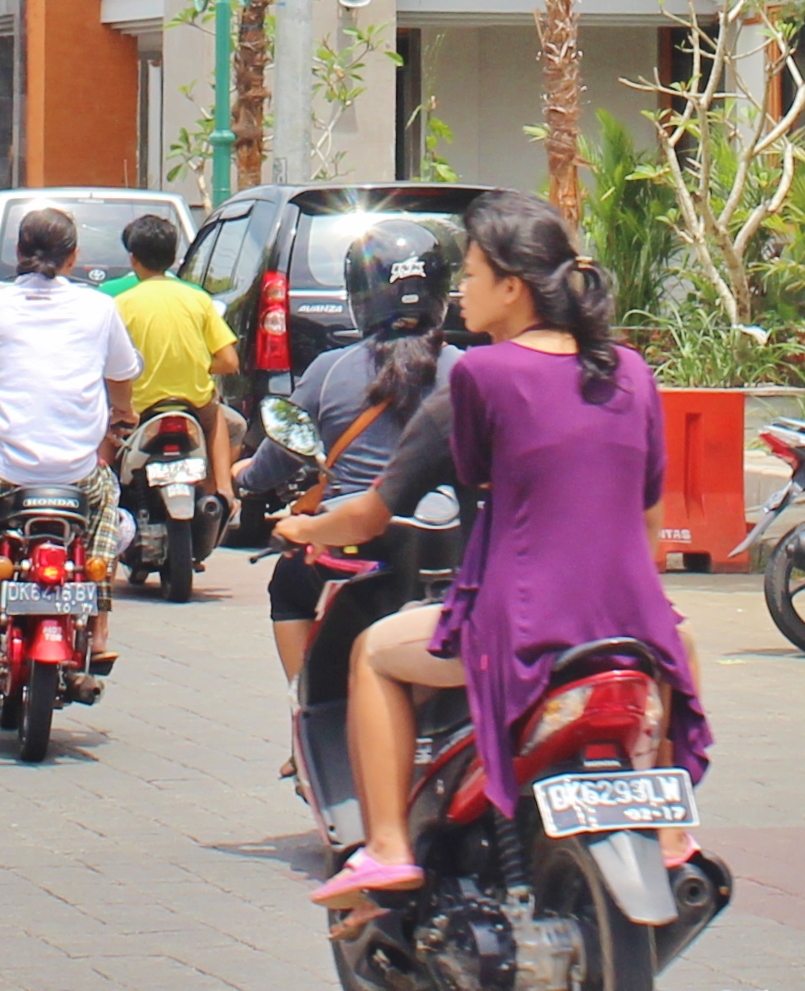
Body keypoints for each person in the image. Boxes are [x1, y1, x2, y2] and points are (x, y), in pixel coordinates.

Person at [276, 192, 704, 903]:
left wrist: (304, 529)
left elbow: (380, 510)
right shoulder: (632, 372)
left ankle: (385, 847)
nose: (462, 294)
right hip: (639, 628)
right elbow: (648, 521)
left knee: (373, 655)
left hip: (518, 626)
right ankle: (668, 833)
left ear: (511, 286)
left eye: (471, 276)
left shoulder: (482, 375)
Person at [0, 205, 138, 651]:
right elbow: (120, 377)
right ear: (73, 256)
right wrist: (124, 412)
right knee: (117, 525)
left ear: (18, 252)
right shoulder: (99, 308)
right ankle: (98, 635)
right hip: (79, 478)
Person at [264, 229, 450, 685]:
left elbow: (277, 458)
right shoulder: (467, 370)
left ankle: (303, 707)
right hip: (445, 549)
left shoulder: (330, 371)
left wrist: (245, 477)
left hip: (348, 544)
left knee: (287, 586)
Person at [112, 208, 238, 494]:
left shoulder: (120, 304)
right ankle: (223, 492)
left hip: (139, 408)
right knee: (217, 416)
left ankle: (105, 499)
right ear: (173, 258)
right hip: (193, 406)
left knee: (105, 432)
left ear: (133, 258)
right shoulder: (198, 298)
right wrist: (195, 362)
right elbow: (229, 362)